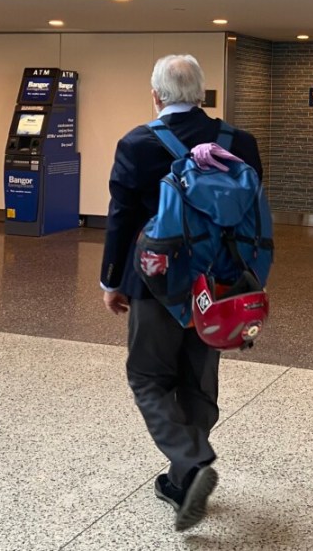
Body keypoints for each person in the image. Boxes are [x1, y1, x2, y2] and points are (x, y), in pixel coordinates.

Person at [101, 54, 263, 532]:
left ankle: (190, 463)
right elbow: (251, 213)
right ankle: (180, 479)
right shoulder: (240, 142)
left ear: (155, 95)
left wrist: (112, 279)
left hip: (156, 283)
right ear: (201, 93)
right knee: (197, 379)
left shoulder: (137, 143)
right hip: (220, 285)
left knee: (148, 377)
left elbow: (122, 217)